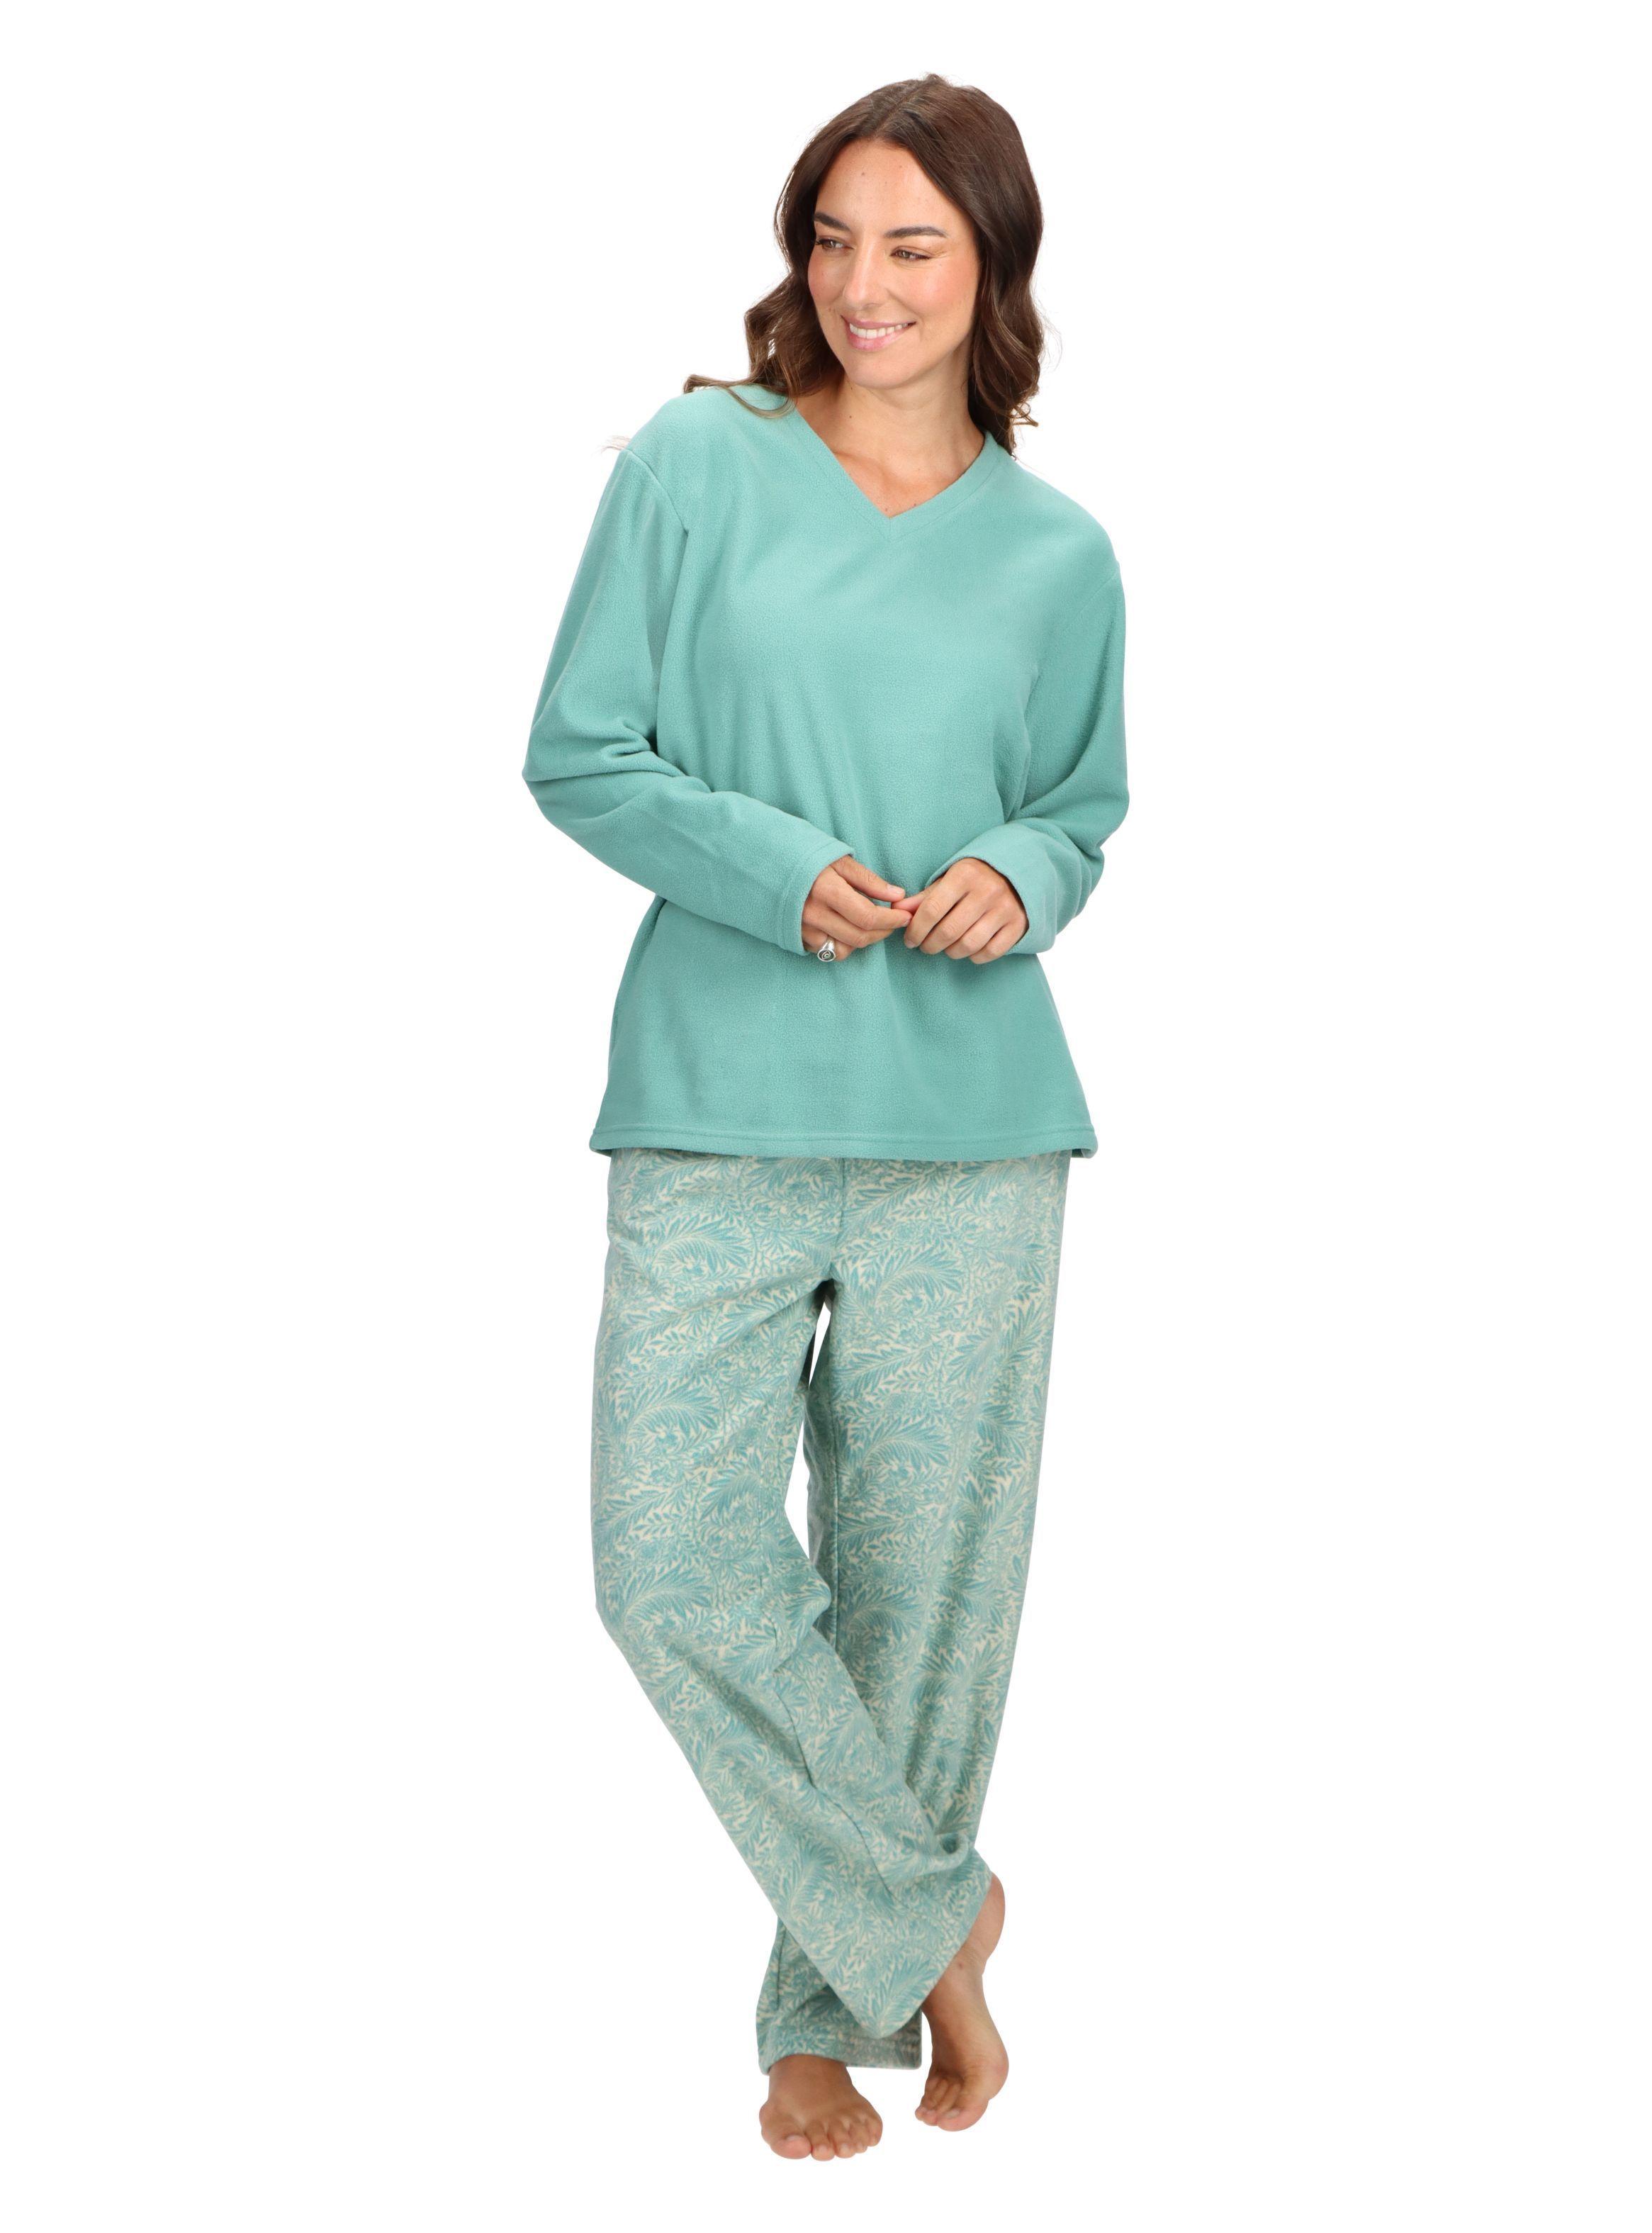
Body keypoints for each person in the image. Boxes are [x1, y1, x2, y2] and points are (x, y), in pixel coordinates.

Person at [522, 72, 1128, 2161]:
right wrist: (776, 866)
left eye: (913, 245)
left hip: (976, 1116)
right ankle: (933, 1919)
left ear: (992, 266)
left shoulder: (1059, 553)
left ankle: (826, 2015)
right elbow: (580, 751)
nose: (866, 285)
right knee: (667, 1558)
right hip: (717, 1094)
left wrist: (1020, 877)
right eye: (835, 239)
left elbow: (1081, 806)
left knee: (919, 1594)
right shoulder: (697, 462)